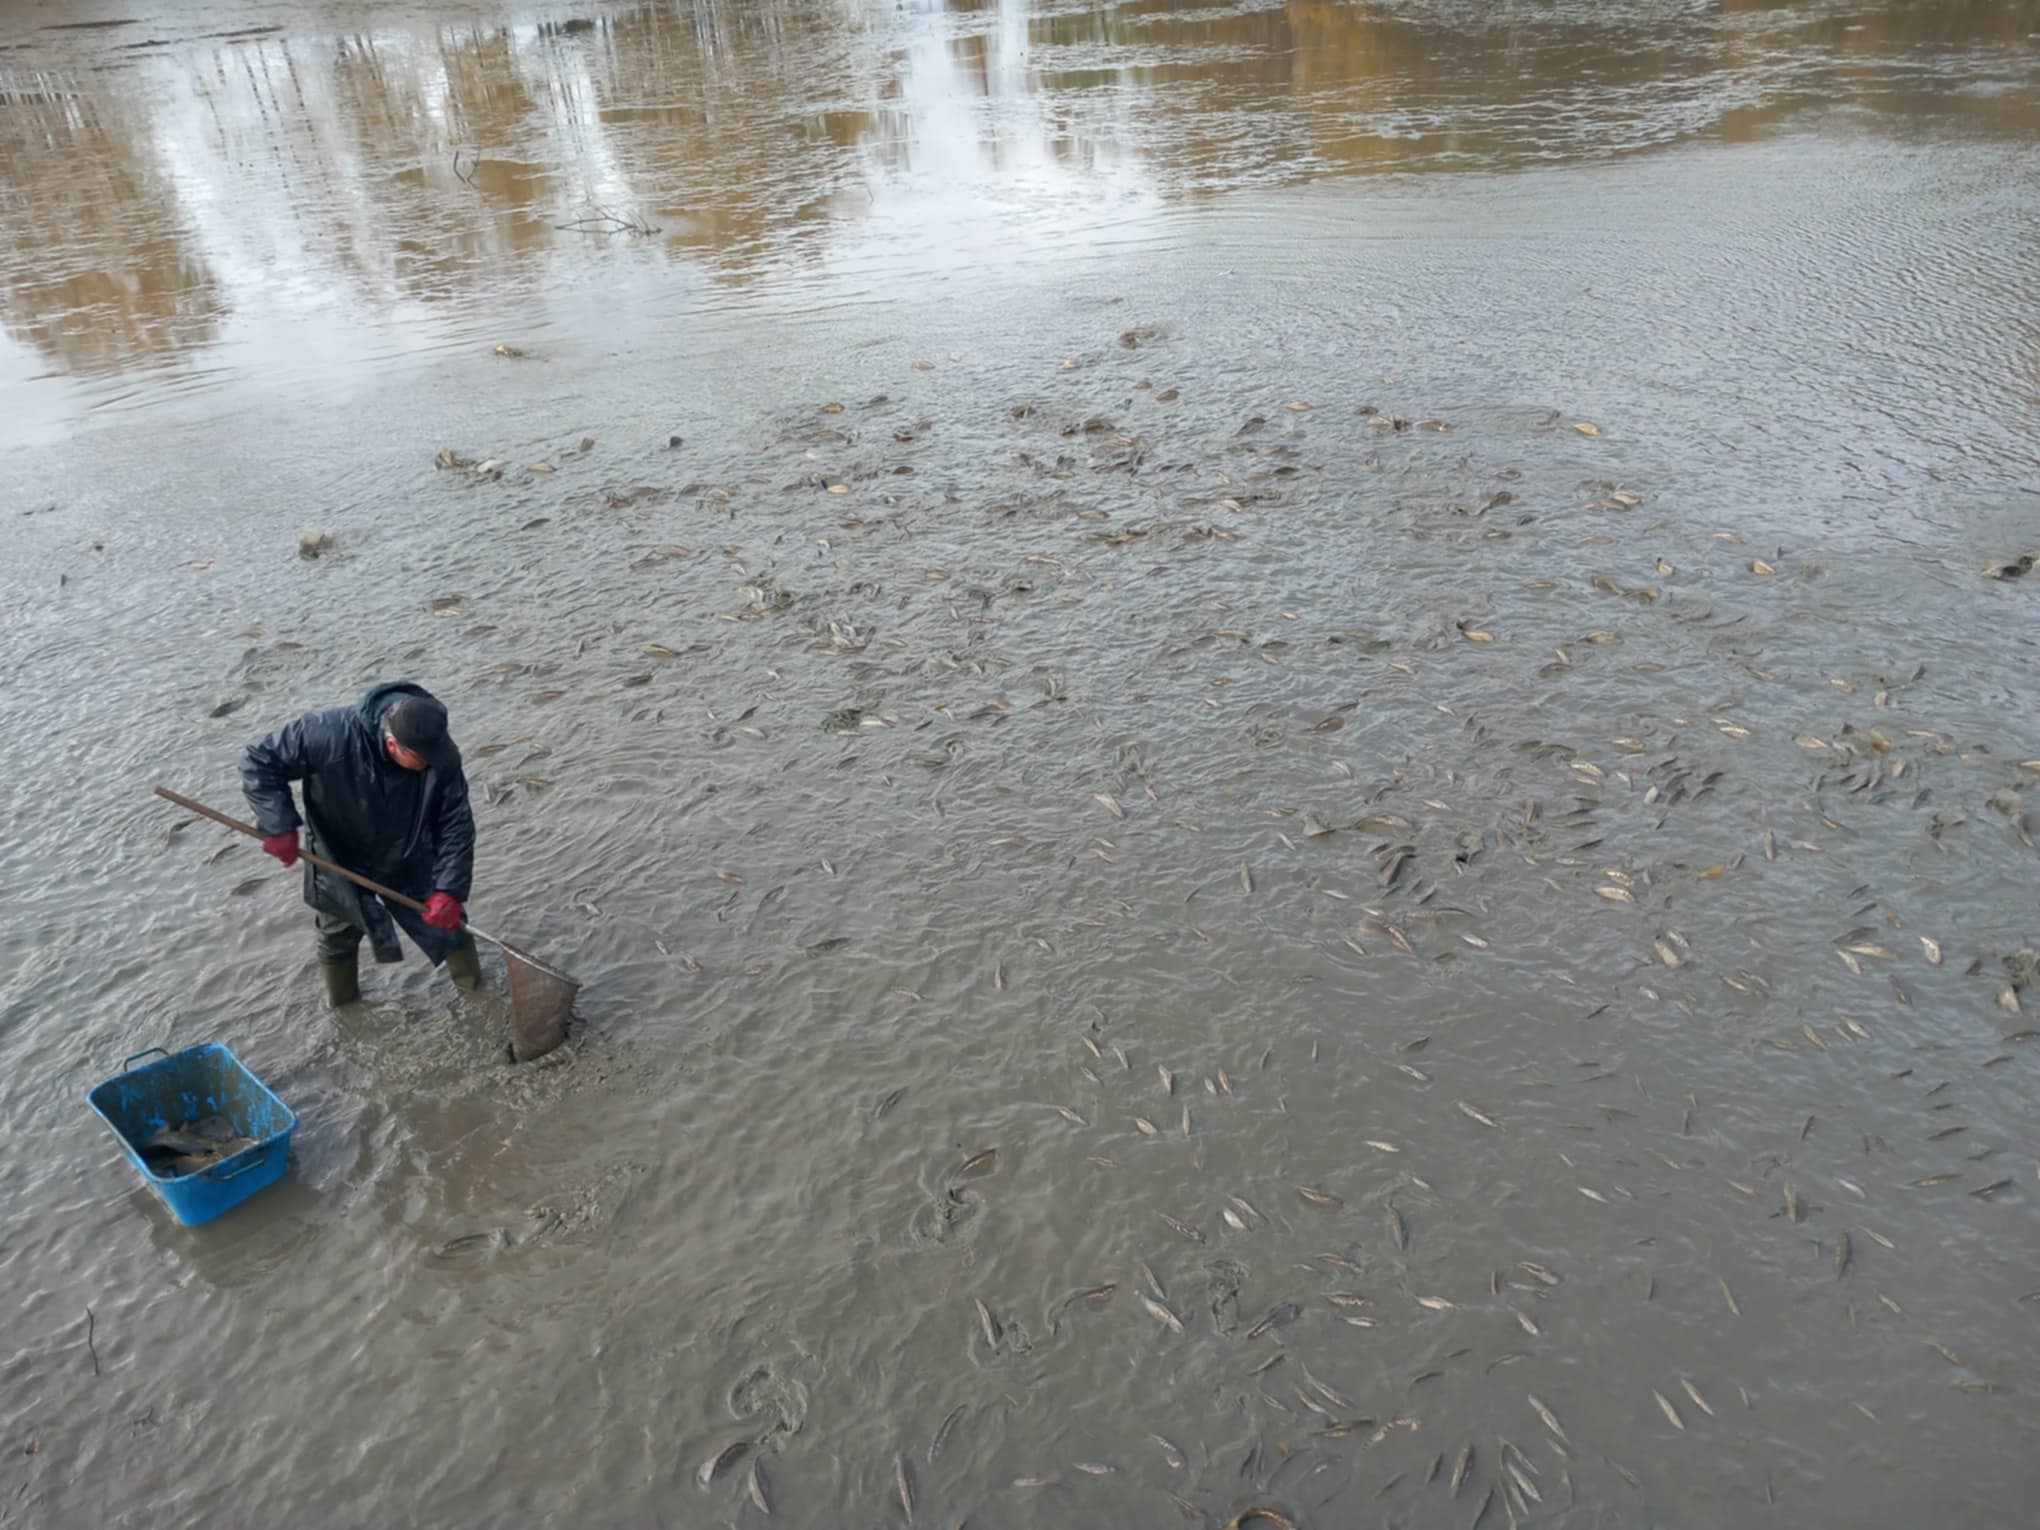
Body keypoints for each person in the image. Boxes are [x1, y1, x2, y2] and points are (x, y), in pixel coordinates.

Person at [240, 681, 479, 1008]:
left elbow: (457, 823)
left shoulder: (441, 755)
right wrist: (277, 823)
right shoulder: (325, 734)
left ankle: (477, 995)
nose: (433, 763)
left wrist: (450, 888)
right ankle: (343, 1008)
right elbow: (260, 761)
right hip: (338, 855)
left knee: (450, 925)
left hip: (410, 849)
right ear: (393, 744)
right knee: (337, 935)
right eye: (423, 758)